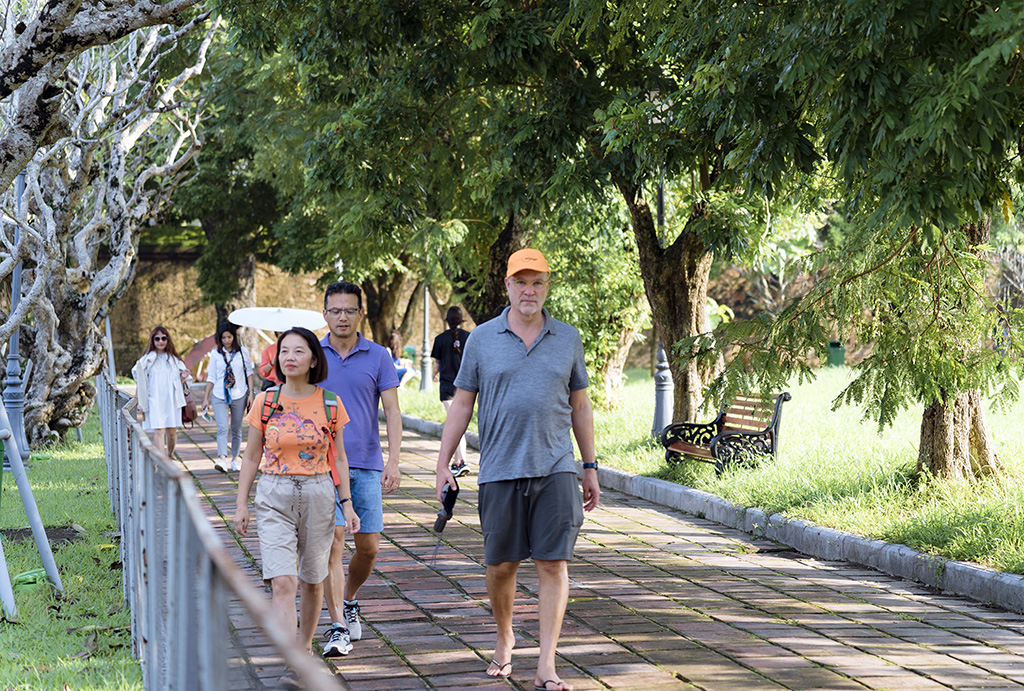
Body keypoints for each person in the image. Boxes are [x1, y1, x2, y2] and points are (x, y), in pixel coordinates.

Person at [435, 249, 600, 691]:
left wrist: (589, 465)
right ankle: (505, 634)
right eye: (521, 282)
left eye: (538, 282)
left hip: (556, 467)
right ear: (507, 286)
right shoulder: (482, 339)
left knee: (553, 563)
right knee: (501, 566)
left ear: (548, 286)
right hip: (500, 468)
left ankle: (546, 662)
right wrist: (443, 461)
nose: (529, 291)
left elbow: (580, 404)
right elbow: (463, 404)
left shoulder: (568, 338)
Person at [233, 327, 360, 672]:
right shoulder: (266, 401)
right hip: (274, 492)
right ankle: (292, 660)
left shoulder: (330, 403)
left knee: (312, 579)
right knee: (283, 580)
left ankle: (304, 645)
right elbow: (250, 456)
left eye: (298, 351)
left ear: (313, 360)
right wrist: (241, 502)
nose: (289, 357)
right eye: (284, 351)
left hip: (319, 493)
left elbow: (340, 458)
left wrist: (346, 503)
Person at [318, 282, 402, 656]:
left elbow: (393, 411)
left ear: (360, 314)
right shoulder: (313, 354)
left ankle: (349, 598)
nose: (342, 317)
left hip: (366, 463)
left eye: (349, 310)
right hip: (319, 467)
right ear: (324, 314)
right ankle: (337, 624)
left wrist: (395, 460)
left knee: (368, 548)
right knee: (333, 541)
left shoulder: (379, 356)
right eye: (335, 311)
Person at [201, 322, 255, 472]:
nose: (226, 340)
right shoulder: (215, 355)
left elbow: (249, 374)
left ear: (234, 337)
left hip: (239, 394)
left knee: (236, 428)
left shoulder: (243, 352)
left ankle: (235, 459)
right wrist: (206, 397)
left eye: (229, 337)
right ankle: (222, 459)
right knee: (222, 427)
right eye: (223, 337)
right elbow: (211, 377)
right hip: (219, 394)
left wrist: (250, 394)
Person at [132, 326, 191, 458]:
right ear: (152, 341)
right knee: (158, 431)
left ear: (168, 340)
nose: (160, 341)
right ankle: (160, 461)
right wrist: (138, 401)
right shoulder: (146, 360)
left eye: (164, 338)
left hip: (171, 401)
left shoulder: (174, 360)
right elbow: (140, 381)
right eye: (157, 338)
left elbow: (180, 384)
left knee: (171, 432)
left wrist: (183, 377)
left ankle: (170, 453)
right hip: (154, 399)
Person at [431, 306, 472, 477]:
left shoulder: (440, 339)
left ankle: (460, 461)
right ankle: (458, 461)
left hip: (447, 386)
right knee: (457, 424)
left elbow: (437, 364)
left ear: (447, 321)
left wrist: (433, 375)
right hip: (465, 387)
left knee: (454, 424)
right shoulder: (469, 337)